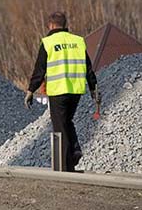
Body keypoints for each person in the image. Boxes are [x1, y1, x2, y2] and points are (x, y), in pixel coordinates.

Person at [24, 11, 100, 172]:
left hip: (58, 90)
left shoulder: (48, 42)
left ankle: (65, 166)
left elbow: (40, 70)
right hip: (76, 90)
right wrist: (93, 88)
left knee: (59, 126)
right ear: (65, 25)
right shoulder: (78, 41)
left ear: (50, 25)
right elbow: (88, 68)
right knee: (67, 121)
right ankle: (75, 150)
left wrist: (31, 90)